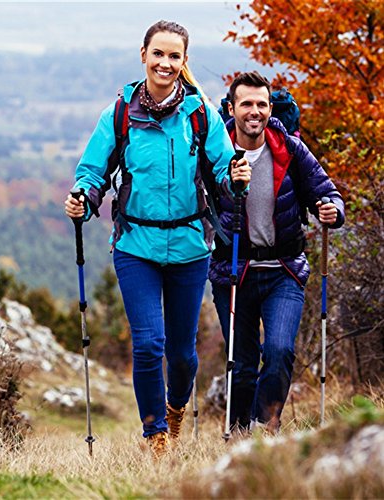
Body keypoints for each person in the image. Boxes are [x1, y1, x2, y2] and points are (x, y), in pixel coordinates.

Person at [65, 20, 250, 456]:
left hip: (189, 246)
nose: (165, 63)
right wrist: (84, 200)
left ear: (184, 62)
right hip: (136, 247)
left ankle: (175, 409)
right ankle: (154, 437)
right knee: (149, 344)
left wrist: (236, 178)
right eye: (158, 54)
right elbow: (93, 171)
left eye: (174, 56)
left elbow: (224, 168)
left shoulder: (200, 112)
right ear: (143, 55)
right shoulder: (120, 114)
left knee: (183, 355)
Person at [209, 71, 345, 434]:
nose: (255, 111)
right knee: (241, 363)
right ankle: (238, 436)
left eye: (262, 104)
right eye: (247, 104)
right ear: (232, 108)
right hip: (232, 271)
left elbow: (326, 191)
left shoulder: (289, 147)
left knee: (280, 351)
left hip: (283, 269)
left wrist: (332, 209)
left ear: (271, 108)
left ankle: (263, 428)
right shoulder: (216, 150)